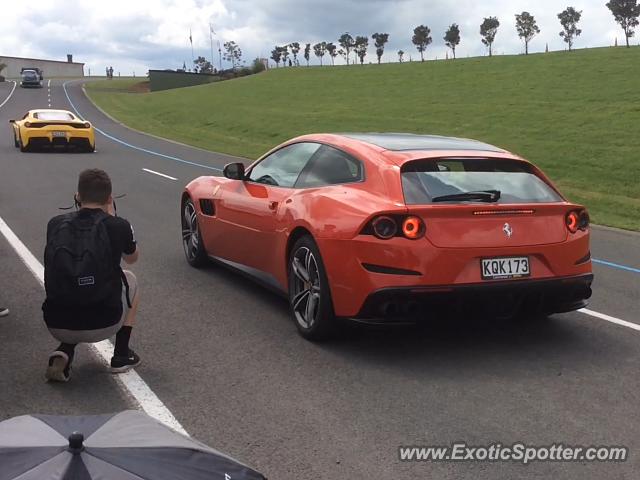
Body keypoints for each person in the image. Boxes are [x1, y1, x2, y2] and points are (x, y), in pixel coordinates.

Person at [42, 169, 141, 382]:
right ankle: (121, 354)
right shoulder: (118, 225)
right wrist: (113, 219)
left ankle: (65, 348)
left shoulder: (55, 224)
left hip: (56, 323)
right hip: (104, 322)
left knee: (73, 284)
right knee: (130, 279)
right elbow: (132, 258)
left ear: (78, 196)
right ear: (109, 198)